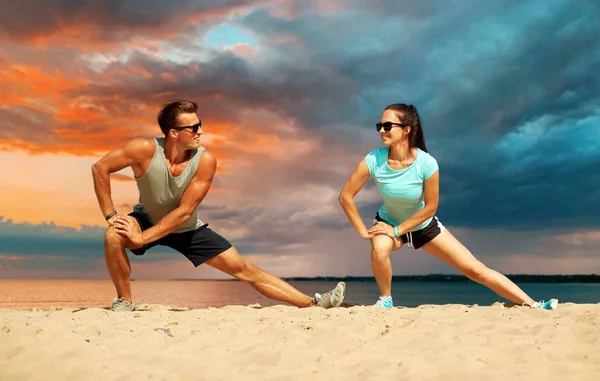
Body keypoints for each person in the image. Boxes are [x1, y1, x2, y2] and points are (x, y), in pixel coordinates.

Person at [92, 99, 345, 311]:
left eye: (199, 125)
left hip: (186, 228)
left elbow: (185, 211)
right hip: (147, 217)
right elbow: (100, 168)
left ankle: (312, 304)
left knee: (244, 269)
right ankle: (124, 301)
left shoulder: (206, 160)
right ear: (173, 133)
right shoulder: (142, 149)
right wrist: (111, 214)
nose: (200, 131)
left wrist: (143, 238)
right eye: (193, 128)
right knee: (113, 236)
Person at [338, 103, 557, 310]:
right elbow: (346, 196)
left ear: (406, 130)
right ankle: (385, 300)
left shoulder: (427, 163)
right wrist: (364, 231)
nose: (381, 131)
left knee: (474, 270)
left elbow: (430, 207)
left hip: (422, 225)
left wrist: (398, 230)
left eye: (387, 126)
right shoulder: (374, 160)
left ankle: (532, 304)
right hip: (389, 222)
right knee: (379, 247)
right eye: (380, 126)